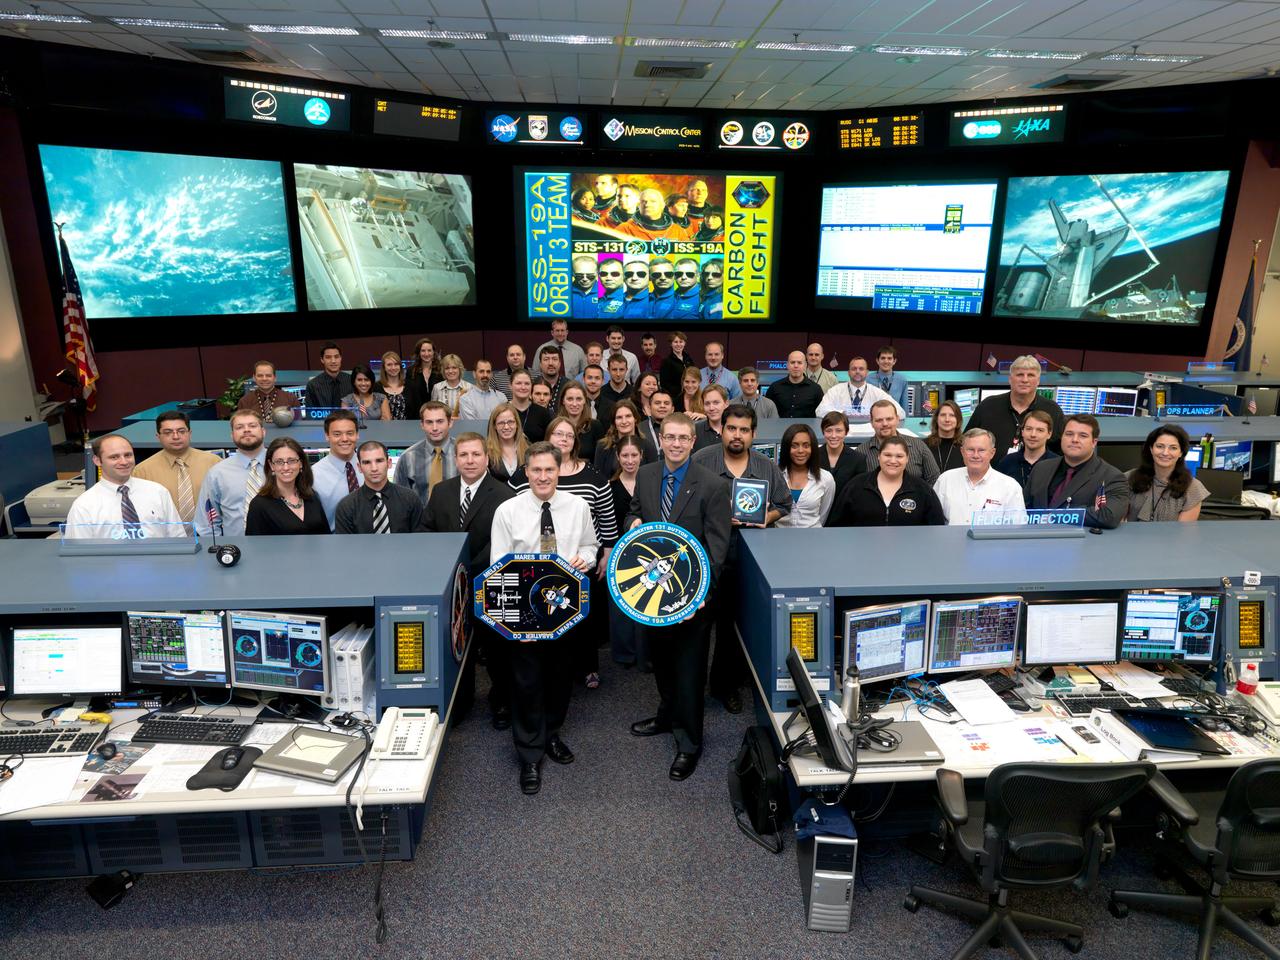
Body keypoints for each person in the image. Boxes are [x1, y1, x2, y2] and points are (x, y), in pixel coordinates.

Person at [490, 442, 598, 795]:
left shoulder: (578, 506)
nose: (542, 477)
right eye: (535, 470)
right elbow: (498, 567)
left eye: (549, 470)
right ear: (526, 471)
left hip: (566, 609)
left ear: (559, 469)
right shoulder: (508, 511)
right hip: (523, 614)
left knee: (560, 677)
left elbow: (590, 546)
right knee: (526, 681)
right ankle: (529, 753)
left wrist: (586, 559)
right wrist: (513, 623)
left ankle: (551, 733)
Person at [627, 413, 731, 781]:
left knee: (688, 670)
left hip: (692, 600)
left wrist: (700, 594)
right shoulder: (647, 474)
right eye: (669, 437)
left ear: (693, 442)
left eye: (682, 438)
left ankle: (689, 743)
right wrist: (632, 527)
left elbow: (718, 548)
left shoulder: (713, 485)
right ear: (661, 438)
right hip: (652, 595)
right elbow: (635, 516)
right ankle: (667, 715)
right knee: (662, 661)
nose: (675, 444)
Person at [692, 403, 790, 714]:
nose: (737, 435)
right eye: (731, 428)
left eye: (744, 430)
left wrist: (767, 517)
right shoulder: (700, 462)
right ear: (720, 429)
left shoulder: (765, 467)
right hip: (706, 557)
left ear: (753, 434)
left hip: (749, 558)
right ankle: (691, 688)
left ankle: (724, 686)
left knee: (732, 628)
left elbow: (784, 504)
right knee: (697, 627)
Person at [511, 417, 617, 692]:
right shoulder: (528, 473)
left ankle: (582, 667)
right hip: (532, 566)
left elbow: (606, 518)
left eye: (569, 435)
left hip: (578, 560)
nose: (563, 438)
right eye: (557, 433)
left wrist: (601, 554)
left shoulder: (592, 476)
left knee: (580, 618)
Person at [423, 432, 517, 730]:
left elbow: (504, 542)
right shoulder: (441, 491)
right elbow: (426, 529)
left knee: (497, 650)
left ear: (486, 458)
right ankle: (459, 703)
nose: (470, 460)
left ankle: (501, 700)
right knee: (456, 646)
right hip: (449, 585)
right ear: (456, 458)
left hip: (490, 583)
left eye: (476, 454)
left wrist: (468, 568)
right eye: (464, 455)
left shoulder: (504, 495)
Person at [65, 434, 181, 538]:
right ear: (97, 461)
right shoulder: (84, 506)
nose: (124, 462)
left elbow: (178, 537)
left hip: (160, 561)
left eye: (128, 455)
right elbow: (79, 554)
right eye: (114, 457)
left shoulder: (158, 492)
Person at [1025, 414, 1130, 529]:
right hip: (1033, 540)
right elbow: (1022, 508)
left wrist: (1056, 516)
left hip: (1078, 543)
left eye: (1083, 436)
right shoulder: (1041, 468)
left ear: (1094, 442)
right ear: (1062, 437)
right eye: (1069, 434)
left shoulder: (1112, 477)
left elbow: (1109, 516)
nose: (1074, 440)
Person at [825, 437, 947, 527]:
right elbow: (836, 526)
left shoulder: (923, 491)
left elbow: (936, 529)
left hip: (909, 557)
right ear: (879, 456)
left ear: (907, 459)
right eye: (887, 455)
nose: (893, 461)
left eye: (899, 456)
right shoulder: (856, 486)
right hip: (862, 556)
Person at [132, 410, 220, 524]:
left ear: (190, 433)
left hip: (210, 534)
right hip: (165, 536)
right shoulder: (142, 471)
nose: (176, 436)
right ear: (158, 436)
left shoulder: (214, 463)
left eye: (181, 431)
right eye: (168, 432)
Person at [967, 355, 1066, 457]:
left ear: (1038, 381)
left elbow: (1061, 453)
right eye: (1019, 375)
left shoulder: (1053, 411)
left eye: (1031, 375)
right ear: (1010, 379)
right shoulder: (988, 406)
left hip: (1037, 472)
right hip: (991, 471)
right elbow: (966, 441)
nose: (1025, 380)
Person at [607, 435, 647, 670]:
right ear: (617, 457)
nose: (630, 460)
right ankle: (625, 654)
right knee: (621, 607)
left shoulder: (650, 482)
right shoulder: (609, 487)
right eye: (625, 456)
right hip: (620, 552)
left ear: (642, 455)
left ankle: (646, 652)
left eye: (634, 455)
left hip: (646, 551)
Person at [194, 411, 267, 538]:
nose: (246, 430)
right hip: (235, 550)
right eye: (239, 427)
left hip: (279, 546)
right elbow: (206, 524)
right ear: (232, 435)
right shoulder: (217, 473)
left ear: (263, 431)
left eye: (252, 425)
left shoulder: (283, 467)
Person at [933, 428, 1028, 526]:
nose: (975, 455)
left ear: (992, 453)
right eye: (970, 450)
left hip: (991, 541)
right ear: (962, 451)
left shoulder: (1010, 487)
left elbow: (1017, 527)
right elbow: (933, 522)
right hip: (950, 541)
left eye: (981, 450)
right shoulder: (945, 480)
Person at [335, 440, 425, 534]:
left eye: (379, 461)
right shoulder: (346, 507)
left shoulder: (411, 499)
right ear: (359, 467)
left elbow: (419, 541)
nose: (374, 468)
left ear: (389, 463)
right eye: (367, 462)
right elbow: (345, 546)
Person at [246, 437, 329, 536]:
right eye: (279, 462)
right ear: (271, 465)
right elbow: (255, 548)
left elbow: (325, 537)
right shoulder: (259, 505)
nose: (286, 467)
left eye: (292, 461)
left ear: (301, 463)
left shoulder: (312, 496)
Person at [1127, 425, 1210, 522]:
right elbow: (1119, 523)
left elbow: (1183, 533)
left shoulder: (1193, 488)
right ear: (1151, 449)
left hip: (1171, 537)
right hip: (1131, 537)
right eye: (1160, 446)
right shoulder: (1128, 479)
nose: (1165, 453)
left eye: (1173, 448)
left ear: (1181, 453)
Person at [854, 400, 940, 483]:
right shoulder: (861, 452)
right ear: (872, 423)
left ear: (897, 419)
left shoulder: (918, 446)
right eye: (879, 420)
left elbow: (934, 479)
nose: (885, 424)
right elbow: (856, 485)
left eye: (889, 419)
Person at [394, 401, 456, 507]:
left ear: (450, 423)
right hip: (420, 521)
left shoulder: (465, 454)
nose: (435, 428)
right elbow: (399, 499)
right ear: (422, 425)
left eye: (440, 421)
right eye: (429, 422)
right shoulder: (408, 457)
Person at [310, 409, 363, 530]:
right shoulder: (314, 476)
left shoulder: (371, 466)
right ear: (327, 436)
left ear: (357, 434)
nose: (344, 439)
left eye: (350, 433)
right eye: (337, 434)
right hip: (332, 542)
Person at [776, 424, 836, 528]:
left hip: (813, 539)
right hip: (779, 538)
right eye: (794, 446)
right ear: (786, 448)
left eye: (806, 445)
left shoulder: (826, 479)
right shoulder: (775, 476)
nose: (800, 451)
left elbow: (823, 514)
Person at [816, 357, 905, 423]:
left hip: (870, 433)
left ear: (867, 372)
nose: (857, 371)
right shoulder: (835, 391)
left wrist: (877, 416)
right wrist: (842, 413)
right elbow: (820, 410)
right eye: (854, 369)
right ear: (849, 372)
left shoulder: (877, 393)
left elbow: (901, 413)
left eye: (861, 369)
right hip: (841, 432)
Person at [593, 399, 658, 477]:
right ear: (614, 422)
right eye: (619, 417)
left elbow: (653, 478)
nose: (624, 421)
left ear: (635, 419)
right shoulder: (603, 446)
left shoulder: (648, 447)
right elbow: (597, 477)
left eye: (628, 416)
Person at [996, 409, 1058, 488]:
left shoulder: (1057, 465)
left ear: (1049, 434)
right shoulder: (1007, 462)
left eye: (1040, 430)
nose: (1033, 434)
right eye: (1029, 429)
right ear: (1022, 432)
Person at [555, 381, 604, 463]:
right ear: (563, 401)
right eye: (570, 399)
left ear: (585, 401)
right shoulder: (555, 426)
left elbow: (601, 459)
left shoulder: (596, 426)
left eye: (579, 399)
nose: (574, 404)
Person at [767, 350, 825, 418]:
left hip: (806, 428)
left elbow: (821, 415)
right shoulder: (774, 388)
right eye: (792, 362)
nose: (796, 366)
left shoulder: (816, 389)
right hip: (780, 428)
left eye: (799, 363)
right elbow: (767, 413)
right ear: (787, 365)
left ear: (805, 365)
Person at [817, 411, 861, 494]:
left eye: (838, 431)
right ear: (823, 432)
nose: (833, 435)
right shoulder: (813, 456)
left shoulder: (858, 459)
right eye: (829, 430)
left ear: (846, 432)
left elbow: (858, 491)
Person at [485, 403, 529, 484]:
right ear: (494, 426)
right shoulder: (486, 452)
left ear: (517, 424)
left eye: (510, 422)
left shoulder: (529, 448)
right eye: (501, 423)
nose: (506, 427)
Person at [304, 342, 353, 409]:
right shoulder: (313, 385)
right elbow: (310, 414)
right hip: (323, 419)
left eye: (336, 357)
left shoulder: (352, 381)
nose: (333, 361)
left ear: (341, 358)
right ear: (322, 360)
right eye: (328, 357)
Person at [404, 336, 444, 417]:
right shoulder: (411, 371)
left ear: (434, 352)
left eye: (429, 350)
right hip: (416, 416)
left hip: (437, 414)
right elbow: (409, 396)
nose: (426, 354)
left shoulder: (441, 370)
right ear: (418, 352)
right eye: (423, 351)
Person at [925, 400, 965, 475]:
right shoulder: (924, 445)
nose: (947, 419)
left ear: (958, 420)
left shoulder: (966, 446)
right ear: (936, 419)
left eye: (952, 415)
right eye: (943, 415)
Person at [509, 369, 549, 442]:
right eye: (518, 383)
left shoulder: (543, 413)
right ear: (510, 386)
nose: (523, 387)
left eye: (527, 384)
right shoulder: (501, 411)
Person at [431, 353, 470, 418]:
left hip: (464, 425)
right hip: (442, 426)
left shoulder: (469, 388)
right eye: (447, 368)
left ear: (460, 369)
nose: (450, 371)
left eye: (454, 368)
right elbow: (433, 411)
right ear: (443, 370)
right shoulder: (437, 387)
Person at [660, 330, 697, 398]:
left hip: (691, 394)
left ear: (684, 343)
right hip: (676, 397)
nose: (678, 344)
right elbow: (664, 384)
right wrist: (681, 391)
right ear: (671, 344)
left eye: (681, 342)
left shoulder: (688, 359)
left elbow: (695, 376)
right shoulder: (667, 361)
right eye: (675, 342)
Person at [597, 353, 633, 424]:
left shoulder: (634, 393)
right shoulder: (600, 393)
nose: (618, 374)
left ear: (626, 370)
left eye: (621, 369)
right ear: (608, 370)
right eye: (614, 369)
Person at [533, 344, 568, 412]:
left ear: (560, 363)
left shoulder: (568, 386)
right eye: (546, 359)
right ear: (540, 364)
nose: (550, 363)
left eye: (554, 359)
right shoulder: (533, 385)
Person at [695, 384, 729, 451]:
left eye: (716, 403)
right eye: (707, 403)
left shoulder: (735, 429)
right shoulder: (695, 430)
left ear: (726, 404)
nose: (711, 408)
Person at [379, 351, 409, 420]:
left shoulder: (411, 386)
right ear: (384, 367)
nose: (393, 367)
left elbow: (417, 412)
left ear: (400, 366)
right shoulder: (376, 388)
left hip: (409, 428)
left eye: (396, 364)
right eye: (389, 364)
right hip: (385, 429)